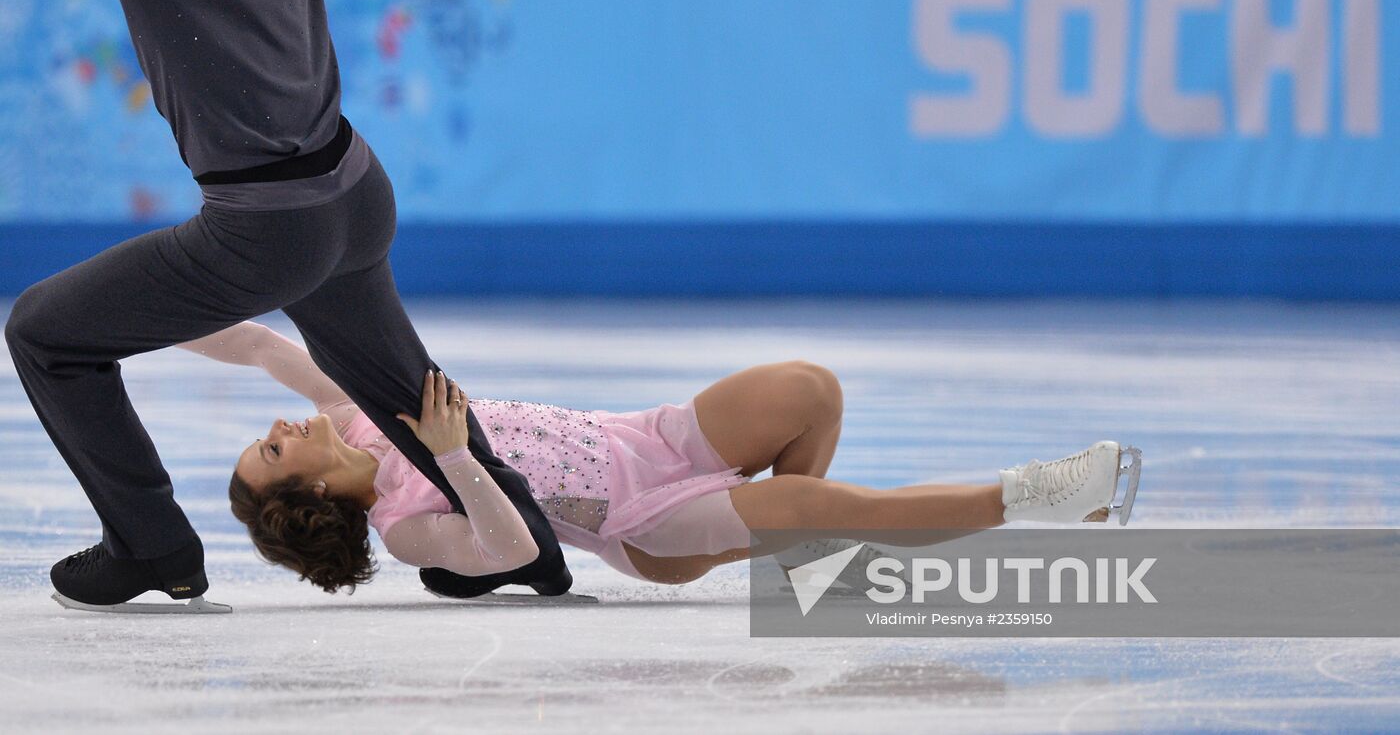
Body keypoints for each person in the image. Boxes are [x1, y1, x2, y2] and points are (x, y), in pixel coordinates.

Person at [2, 0, 570, 612]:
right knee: (399, 391)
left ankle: (148, 543)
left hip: (266, 228)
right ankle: (528, 538)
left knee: (43, 332)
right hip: (355, 190)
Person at [180, 321, 1140, 593]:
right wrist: (453, 457)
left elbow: (260, 344)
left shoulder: (349, 415)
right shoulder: (406, 528)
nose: (286, 426)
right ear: (304, 491)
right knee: (828, 508)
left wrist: (131, 319)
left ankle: (814, 541)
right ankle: (1044, 494)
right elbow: (515, 553)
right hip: (644, 525)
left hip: (643, 437)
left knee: (811, 388)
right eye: (273, 448)